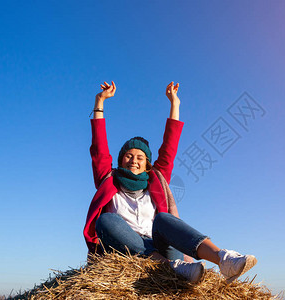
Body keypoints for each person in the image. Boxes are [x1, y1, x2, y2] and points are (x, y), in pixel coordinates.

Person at [83, 81, 257, 283]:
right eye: (129, 156)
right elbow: (99, 148)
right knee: (106, 221)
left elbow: (169, 147)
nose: (134, 160)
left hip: (162, 246)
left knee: (164, 219)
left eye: (140, 157)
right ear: (121, 159)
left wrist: (175, 103)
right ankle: (172, 269)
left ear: (147, 164)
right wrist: (99, 102)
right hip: (127, 249)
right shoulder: (108, 179)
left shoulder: (156, 179)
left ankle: (223, 259)